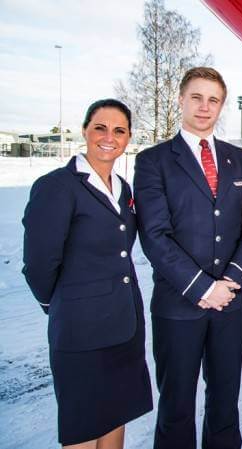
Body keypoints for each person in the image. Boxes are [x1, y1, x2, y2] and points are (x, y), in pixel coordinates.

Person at [134, 67, 242, 449]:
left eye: (213, 100)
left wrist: (231, 281)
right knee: (176, 407)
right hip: (178, 306)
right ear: (180, 99)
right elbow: (155, 236)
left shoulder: (240, 161)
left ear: (221, 105)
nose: (204, 107)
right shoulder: (153, 160)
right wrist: (203, 287)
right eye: (196, 97)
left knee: (225, 403)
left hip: (229, 305)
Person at [22, 99, 152, 448]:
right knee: (83, 427)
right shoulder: (58, 186)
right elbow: (38, 263)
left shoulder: (124, 189)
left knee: (115, 418)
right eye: (100, 127)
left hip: (123, 327)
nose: (109, 137)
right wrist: (63, 303)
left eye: (119, 131)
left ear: (127, 139)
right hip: (81, 333)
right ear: (85, 130)